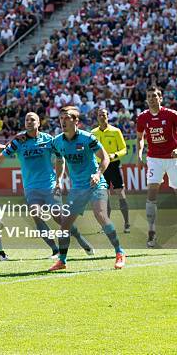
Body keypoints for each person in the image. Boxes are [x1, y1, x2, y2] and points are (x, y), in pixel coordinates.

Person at [0, 113, 94, 259]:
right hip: (31, 188)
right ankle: (55, 250)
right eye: (27, 120)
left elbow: (60, 159)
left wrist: (58, 181)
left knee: (59, 218)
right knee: (36, 215)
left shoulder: (49, 140)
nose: (29, 122)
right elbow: (0, 158)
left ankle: (80, 239)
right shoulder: (19, 141)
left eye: (32, 120)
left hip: (50, 186)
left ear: (39, 123)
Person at [49, 106, 126, 271]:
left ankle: (119, 252)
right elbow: (59, 160)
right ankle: (62, 260)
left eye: (67, 118)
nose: (63, 121)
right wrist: (59, 180)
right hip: (77, 189)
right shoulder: (57, 142)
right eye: (61, 118)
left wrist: (98, 174)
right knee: (64, 225)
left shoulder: (87, 138)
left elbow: (104, 157)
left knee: (101, 215)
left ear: (76, 121)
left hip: (96, 184)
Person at [137, 86, 177, 248]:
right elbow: (140, 138)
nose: (152, 99)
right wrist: (140, 154)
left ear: (160, 98)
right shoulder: (142, 117)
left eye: (155, 96)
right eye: (149, 96)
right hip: (154, 159)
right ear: (146, 99)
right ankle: (151, 233)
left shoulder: (171, 114)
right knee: (151, 194)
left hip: (172, 158)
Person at [91, 108, 130, 233]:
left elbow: (124, 149)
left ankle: (127, 223)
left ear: (108, 116)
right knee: (105, 197)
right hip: (101, 167)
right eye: (99, 115)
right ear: (97, 117)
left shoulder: (115, 131)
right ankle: (106, 226)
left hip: (113, 165)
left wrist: (114, 155)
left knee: (120, 194)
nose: (102, 117)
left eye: (104, 115)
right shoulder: (93, 133)